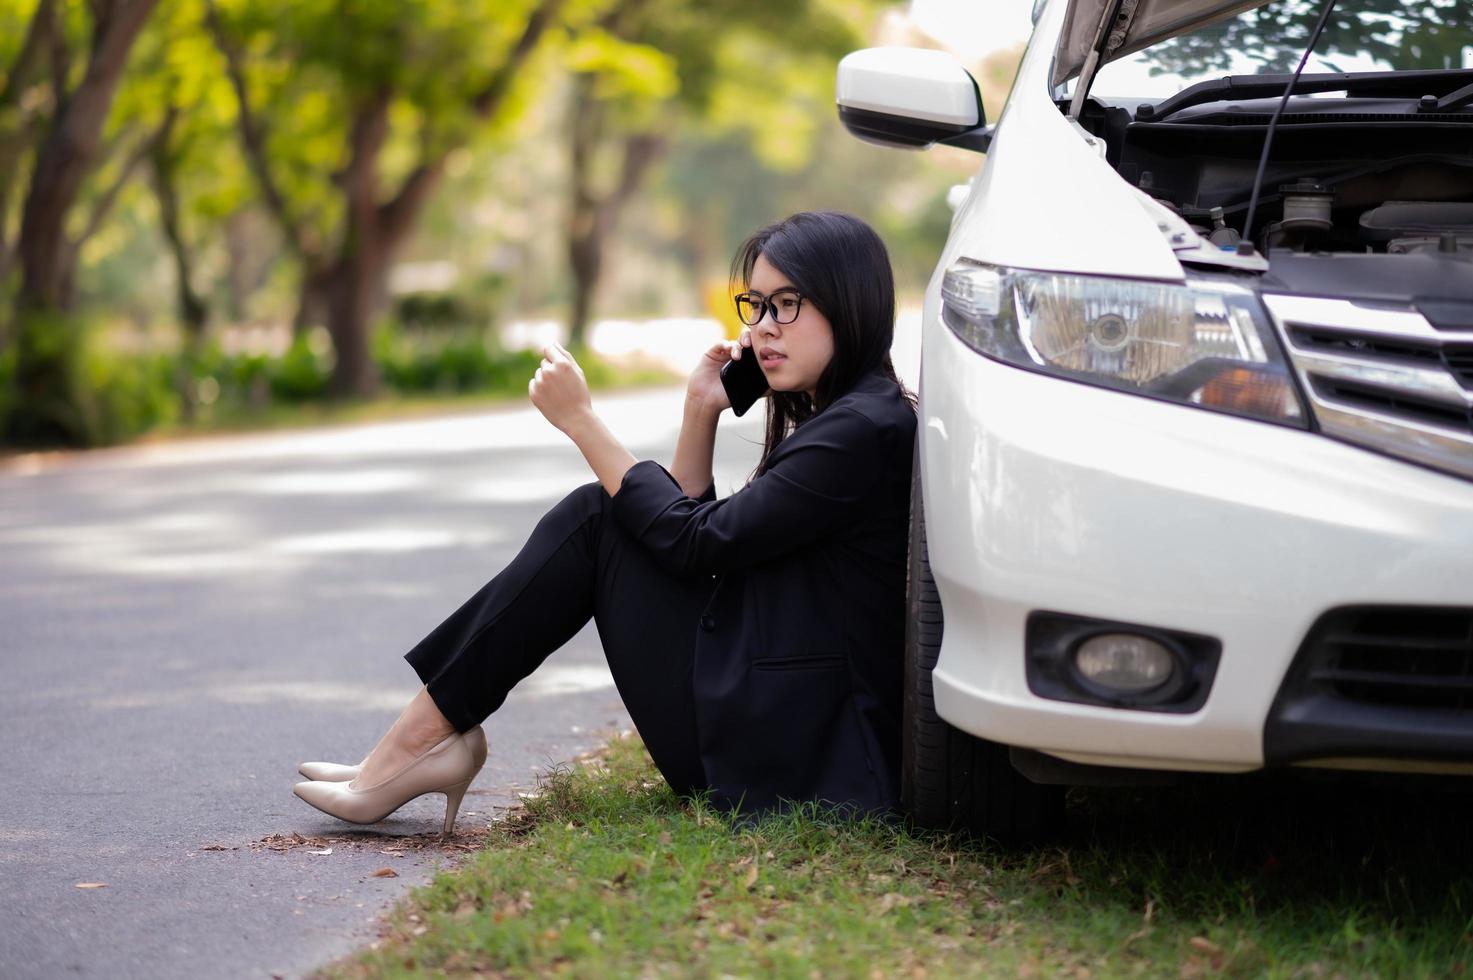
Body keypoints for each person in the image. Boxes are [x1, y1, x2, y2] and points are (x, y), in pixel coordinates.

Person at [292, 210, 918, 834]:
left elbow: (693, 542)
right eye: (755, 305)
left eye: (788, 305)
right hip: (776, 721)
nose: (761, 330)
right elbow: (685, 542)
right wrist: (701, 410)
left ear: (849, 303)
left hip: (789, 758)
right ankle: (416, 742)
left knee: (597, 516)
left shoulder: (860, 430)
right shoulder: (856, 418)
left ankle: (418, 743)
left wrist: (583, 424)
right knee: (605, 518)